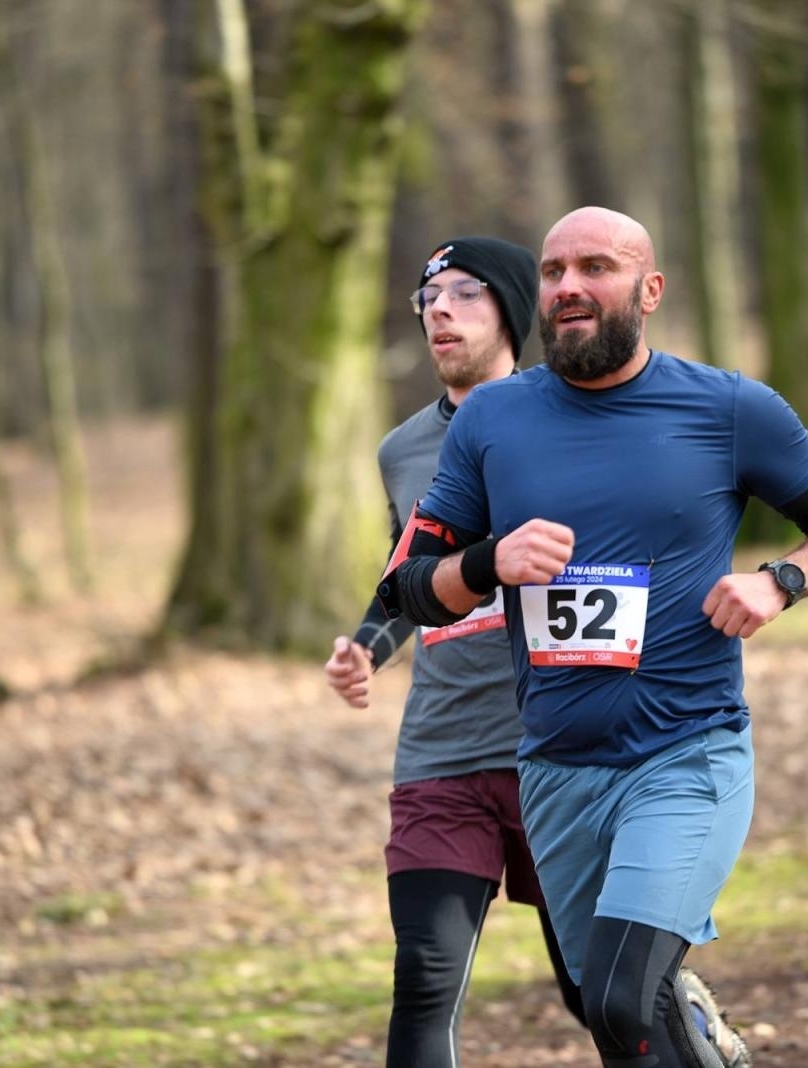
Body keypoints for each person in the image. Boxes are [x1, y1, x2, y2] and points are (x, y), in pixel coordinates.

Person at [378, 207, 808, 1068]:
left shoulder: (726, 407)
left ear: (648, 290)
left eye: (596, 268)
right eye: (553, 271)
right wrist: (491, 560)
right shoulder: (492, 421)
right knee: (620, 1023)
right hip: (555, 770)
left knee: (619, 989)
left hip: (685, 754)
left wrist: (780, 581)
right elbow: (410, 588)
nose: (569, 287)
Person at [325, 236, 586, 1067]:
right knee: (426, 983)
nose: (439, 309)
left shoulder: (580, 415)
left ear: (512, 310)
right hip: (443, 749)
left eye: (465, 294)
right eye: (427, 297)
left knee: (601, 995)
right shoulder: (400, 450)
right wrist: (368, 645)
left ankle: (700, 1042)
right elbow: (410, 572)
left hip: (567, 746)